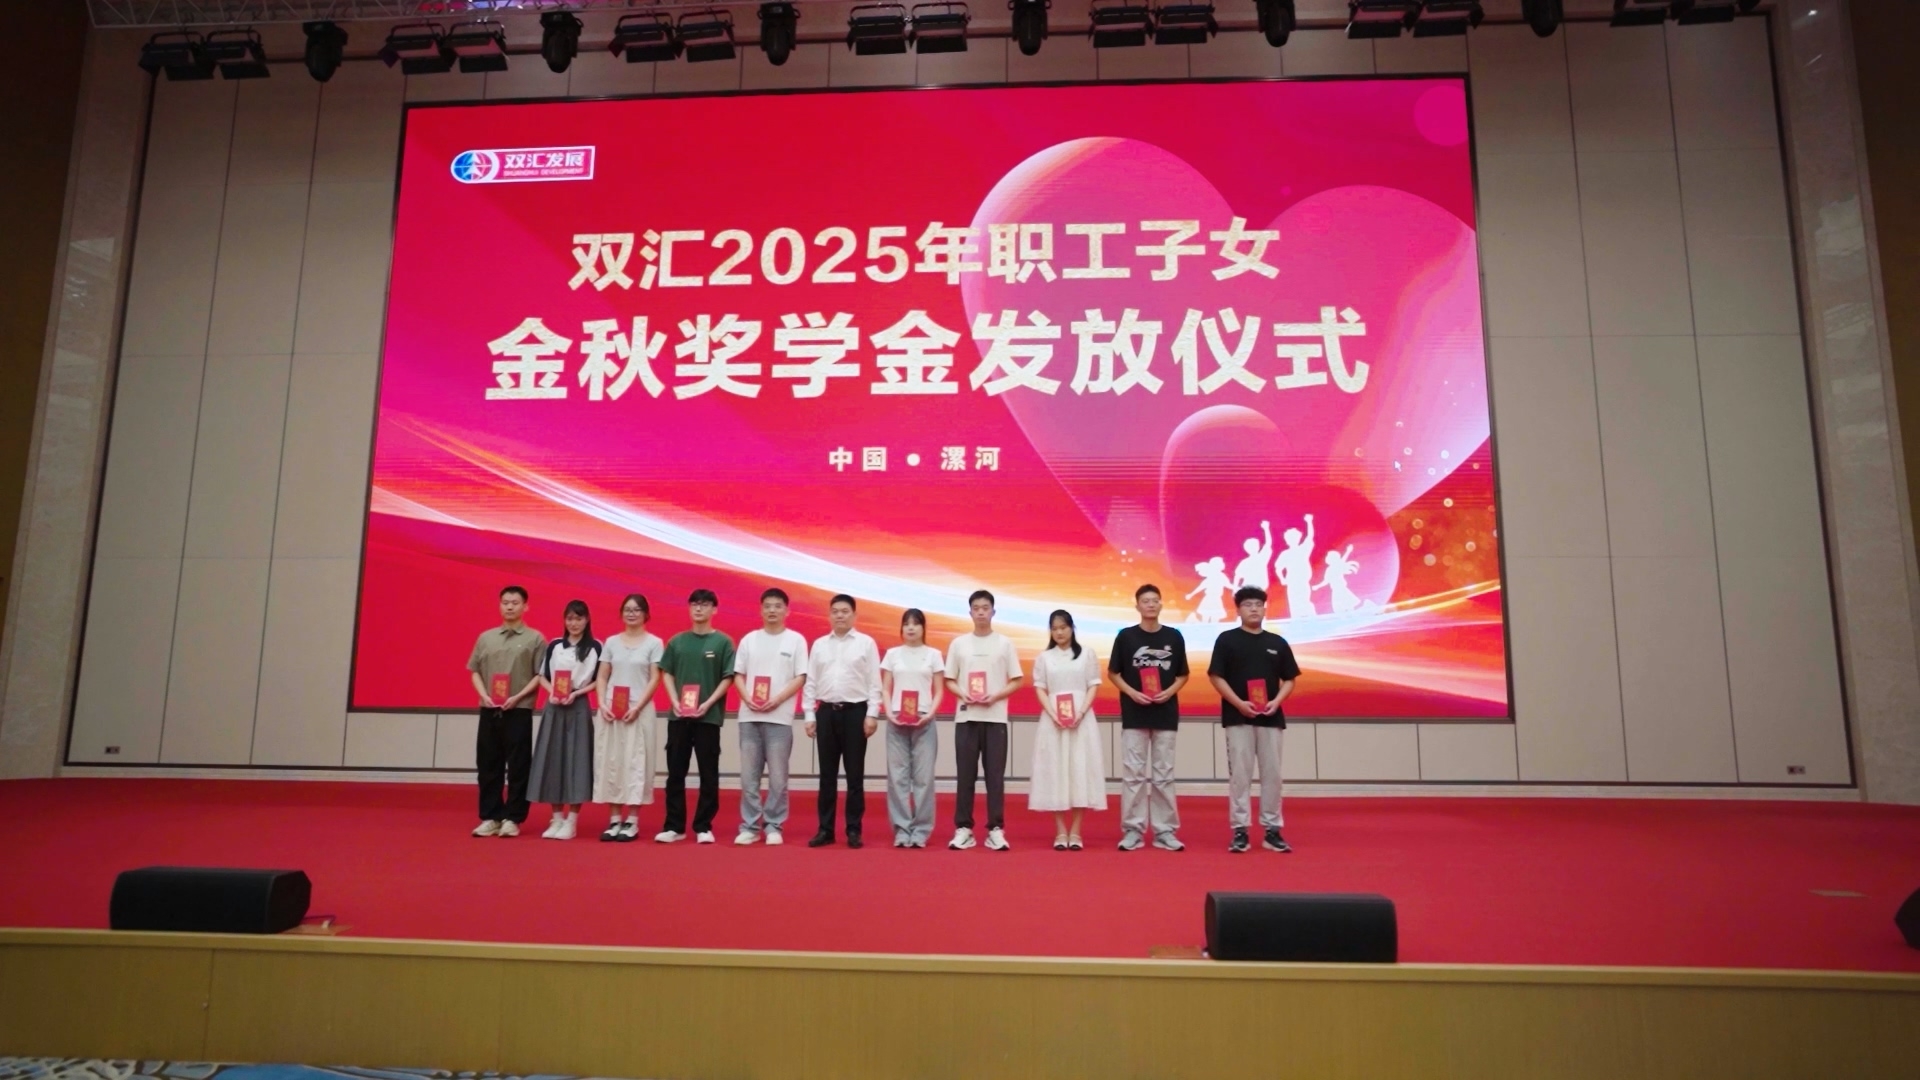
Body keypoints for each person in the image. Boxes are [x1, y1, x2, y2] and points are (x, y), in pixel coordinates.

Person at [1206, 586, 1300, 854]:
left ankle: (1272, 830)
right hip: (1238, 718)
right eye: (1248, 604)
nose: (1254, 609)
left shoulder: (1277, 643)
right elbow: (1216, 676)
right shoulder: (1227, 640)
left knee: (1273, 776)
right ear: (1238, 610)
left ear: (1265, 608)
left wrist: (1277, 701)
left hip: (1271, 717)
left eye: (1258, 604)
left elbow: (1290, 679)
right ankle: (1240, 830)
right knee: (1240, 775)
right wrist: (1238, 703)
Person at [1105, 583, 1191, 852]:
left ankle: (1165, 831)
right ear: (1137, 606)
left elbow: (1183, 674)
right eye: (1146, 601)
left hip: (1165, 713)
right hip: (1134, 713)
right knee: (1134, 775)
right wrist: (1132, 693)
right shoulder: (1126, 637)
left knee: (1164, 774)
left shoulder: (1174, 636)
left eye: (1155, 600)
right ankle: (1133, 829)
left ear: (1161, 604)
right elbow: (1113, 673)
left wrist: (1169, 692)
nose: (1151, 604)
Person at [944, 589, 1025, 851]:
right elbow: (949, 679)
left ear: (993, 612)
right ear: (970, 612)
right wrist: (963, 694)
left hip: (996, 718)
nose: (981, 612)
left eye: (985, 608)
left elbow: (1017, 679)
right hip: (966, 717)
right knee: (965, 776)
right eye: (976, 608)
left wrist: (996, 696)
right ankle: (964, 829)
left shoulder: (1004, 643)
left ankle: (996, 829)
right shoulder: (959, 644)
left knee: (995, 777)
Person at [656, 589, 735, 845]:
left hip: (708, 718)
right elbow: (666, 672)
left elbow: (728, 677)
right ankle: (674, 826)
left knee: (708, 773)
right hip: (679, 717)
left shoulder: (723, 642)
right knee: (675, 773)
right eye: (694, 604)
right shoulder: (677, 642)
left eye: (704, 604)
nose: (699, 609)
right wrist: (674, 701)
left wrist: (709, 703)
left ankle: (703, 826)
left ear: (714, 610)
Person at [467, 585, 546, 838]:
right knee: (488, 765)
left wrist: (518, 697)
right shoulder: (486, 638)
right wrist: (483, 695)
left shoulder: (535, 638)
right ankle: (491, 816)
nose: (509, 606)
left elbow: (540, 675)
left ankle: (513, 818)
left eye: (515, 602)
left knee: (518, 766)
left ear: (526, 606)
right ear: (499, 605)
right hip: (490, 709)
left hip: (518, 709)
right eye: (505, 602)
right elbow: (475, 670)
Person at [804, 594, 882, 848]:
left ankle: (853, 830)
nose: (840, 615)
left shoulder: (866, 643)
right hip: (826, 712)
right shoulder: (819, 645)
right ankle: (825, 829)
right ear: (829, 615)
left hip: (855, 713)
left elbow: (874, 682)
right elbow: (811, 682)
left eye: (845, 611)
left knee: (854, 775)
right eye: (835, 611)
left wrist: (872, 714)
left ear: (854, 615)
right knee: (826, 775)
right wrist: (809, 714)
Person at [732, 588, 808, 846]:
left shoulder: (795, 640)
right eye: (767, 606)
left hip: (780, 718)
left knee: (778, 777)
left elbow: (801, 676)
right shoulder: (749, 639)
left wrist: (777, 699)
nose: (772, 610)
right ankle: (750, 826)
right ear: (761, 609)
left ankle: (774, 825)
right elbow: (738, 674)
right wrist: (747, 698)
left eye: (777, 606)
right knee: (748, 777)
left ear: (787, 610)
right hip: (749, 717)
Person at [1029, 609, 1106, 850]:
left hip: (1081, 719)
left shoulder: (1086, 654)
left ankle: (1076, 831)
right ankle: (1061, 830)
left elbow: (1093, 685)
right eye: (1055, 628)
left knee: (1079, 770)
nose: (1059, 632)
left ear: (1072, 628)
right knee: (1056, 770)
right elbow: (1040, 688)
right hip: (1053, 720)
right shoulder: (1044, 658)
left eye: (1063, 627)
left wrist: (1081, 712)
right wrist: (1052, 713)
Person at [593, 592, 662, 842]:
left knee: (636, 764)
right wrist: (602, 703)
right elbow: (602, 676)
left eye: (636, 610)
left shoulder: (654, 643)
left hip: (638, 711)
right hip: (612, 711)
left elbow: (655, 678)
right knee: (612, 762)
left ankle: (632, 821)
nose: (631, 614)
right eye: (627, 610)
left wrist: (638, 707)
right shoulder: (611, 642)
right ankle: (614, 820)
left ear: (646, 614)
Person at [529, 600, 601, 840]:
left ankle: (572, 821)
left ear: (587, 620)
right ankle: (557, 818)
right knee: (553, 758)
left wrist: (576, 694)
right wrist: (552, 692)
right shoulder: (555, 645)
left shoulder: (595, 647)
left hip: (578, 705)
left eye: (578, 618)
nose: (574, 623)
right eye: (569, 618)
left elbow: (598, 680)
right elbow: (542, 676)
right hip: (554, 706)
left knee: (578, 760)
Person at [880, 608, 943, 848]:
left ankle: (921, 831)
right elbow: (886, 688)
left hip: (924, 721)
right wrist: (889, 712)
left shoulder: (933, 655)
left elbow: (939, 690)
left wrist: (930, 714)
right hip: (897, 720)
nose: (911, 627)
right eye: (906, 623)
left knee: (923, 778)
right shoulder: (892, 654)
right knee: (897, 778)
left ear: (923, 628)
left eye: (916, 623)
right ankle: (902, 829)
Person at [1273, 514, 1317, 621]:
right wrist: (1282, 579)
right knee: (1294, 601)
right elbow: (1278, 568)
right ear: (1286, 540)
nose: (1292, 540)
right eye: (1289, 538)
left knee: (1304, 598)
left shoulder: (1303, 549)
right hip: (1292, 581)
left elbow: (1309, 536)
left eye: (1294, 537)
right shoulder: (1285, 554)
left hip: (1302, 579)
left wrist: (1309, 522)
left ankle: (1311, 618)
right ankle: (1298, 620)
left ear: (1299, 538)